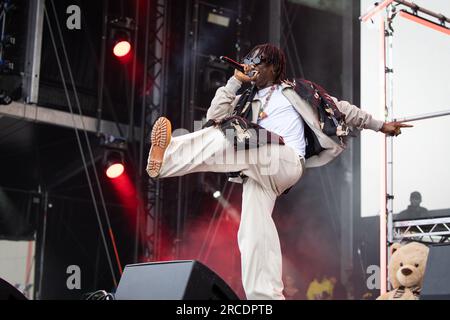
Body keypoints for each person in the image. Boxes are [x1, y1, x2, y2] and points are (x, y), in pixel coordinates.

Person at [146, 43, 411, 300]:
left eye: (256, 63)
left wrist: (380, 125)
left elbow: (343, 109)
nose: (250, 67)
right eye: (247, 63)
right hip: (259, 169)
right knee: (252, 232)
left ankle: (168, 156)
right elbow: (214, 119)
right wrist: (235, 82)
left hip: (286, 160)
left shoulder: (298, 91)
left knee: (240, 133)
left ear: (273, 66)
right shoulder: (245, 99)